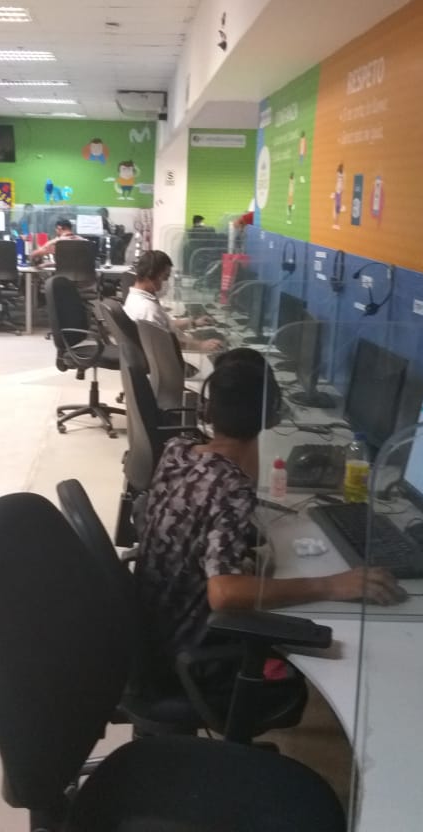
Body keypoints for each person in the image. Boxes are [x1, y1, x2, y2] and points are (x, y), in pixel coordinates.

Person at [134, 349, 405, 686]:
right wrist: (330, 585)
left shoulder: (176, 450)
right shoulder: (230, 486)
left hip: (153, 630)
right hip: (189, 651)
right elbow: (224, 594)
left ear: (208, 408)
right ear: (271, 415)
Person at [124, 249, 222, 353]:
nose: (167, 282)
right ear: (151, 274)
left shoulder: (135, 298)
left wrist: (193, 323)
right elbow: (165, 343)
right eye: (165, 277)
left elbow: (164, 325)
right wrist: (201, 345)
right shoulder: (147, 309)